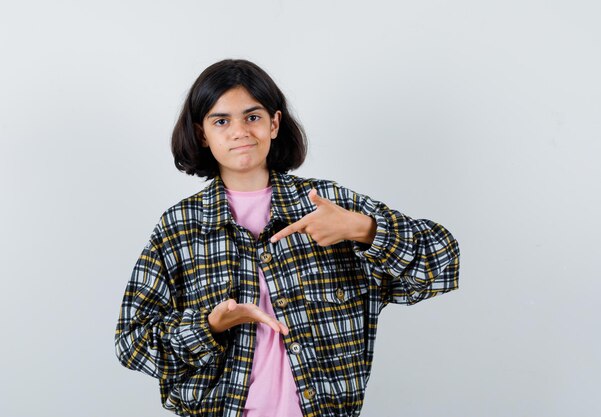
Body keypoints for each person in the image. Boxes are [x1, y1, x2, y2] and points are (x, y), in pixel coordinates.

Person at [114, 59, 460, 417]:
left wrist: (362, 230)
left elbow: (443, 264)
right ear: (203, 134)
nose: (239, 132)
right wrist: (210, 326)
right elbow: (132, 342)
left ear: (274, 123)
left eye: (252, 117)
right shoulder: (180, 227)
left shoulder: (329, 206)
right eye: (221, 121)